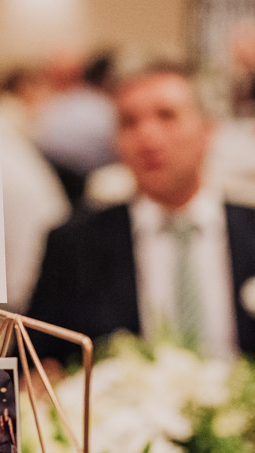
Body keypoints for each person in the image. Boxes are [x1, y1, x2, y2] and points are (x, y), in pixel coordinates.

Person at [28, 63, 255, 363]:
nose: (147, 136)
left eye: (166, 116)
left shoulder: (249, 232)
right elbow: (28, 366)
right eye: (129, 122)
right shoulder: (74, 245)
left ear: (208, 130)